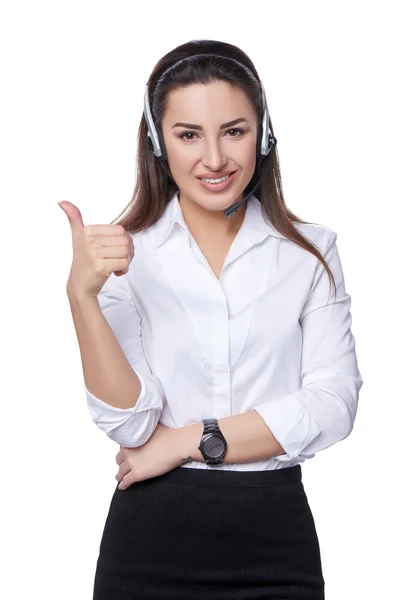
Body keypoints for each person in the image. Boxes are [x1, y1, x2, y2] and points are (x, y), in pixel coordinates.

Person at [60, 39, 363, 600]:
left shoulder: (311, 254)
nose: (216, 159)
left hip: (276, 544)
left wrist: (186, 440)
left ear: (263, 133)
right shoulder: (126, 256)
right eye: (189, 134)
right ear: (158, 142)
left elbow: (334, 404)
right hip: (148, 545)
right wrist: (82, 296)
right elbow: (130, 427)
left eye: (235, 130)